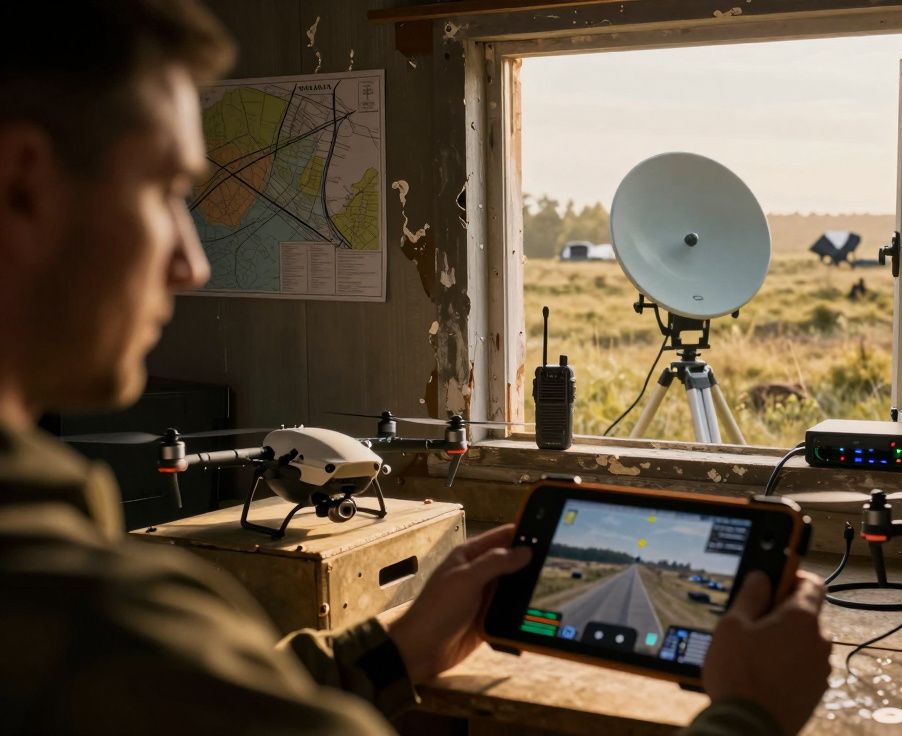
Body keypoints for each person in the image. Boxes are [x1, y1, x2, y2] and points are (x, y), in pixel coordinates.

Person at [0, 2, 832, 734]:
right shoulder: (79, 617)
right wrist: (748, 714)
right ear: (24, 184)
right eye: (164, 191)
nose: (192, 264)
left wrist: (391, 652)